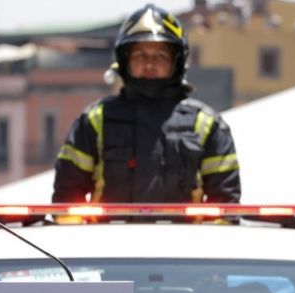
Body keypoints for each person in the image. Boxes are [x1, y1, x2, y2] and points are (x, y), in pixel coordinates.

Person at [52, 3, 241, 205]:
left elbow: (225, 207)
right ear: (124, 61)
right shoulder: (94, 120)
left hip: (185, 237)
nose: (149, 64)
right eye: (140, 55)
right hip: (107, 236)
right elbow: (67, 201)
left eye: (160, 56)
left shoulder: (207, 125)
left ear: (177, 62)